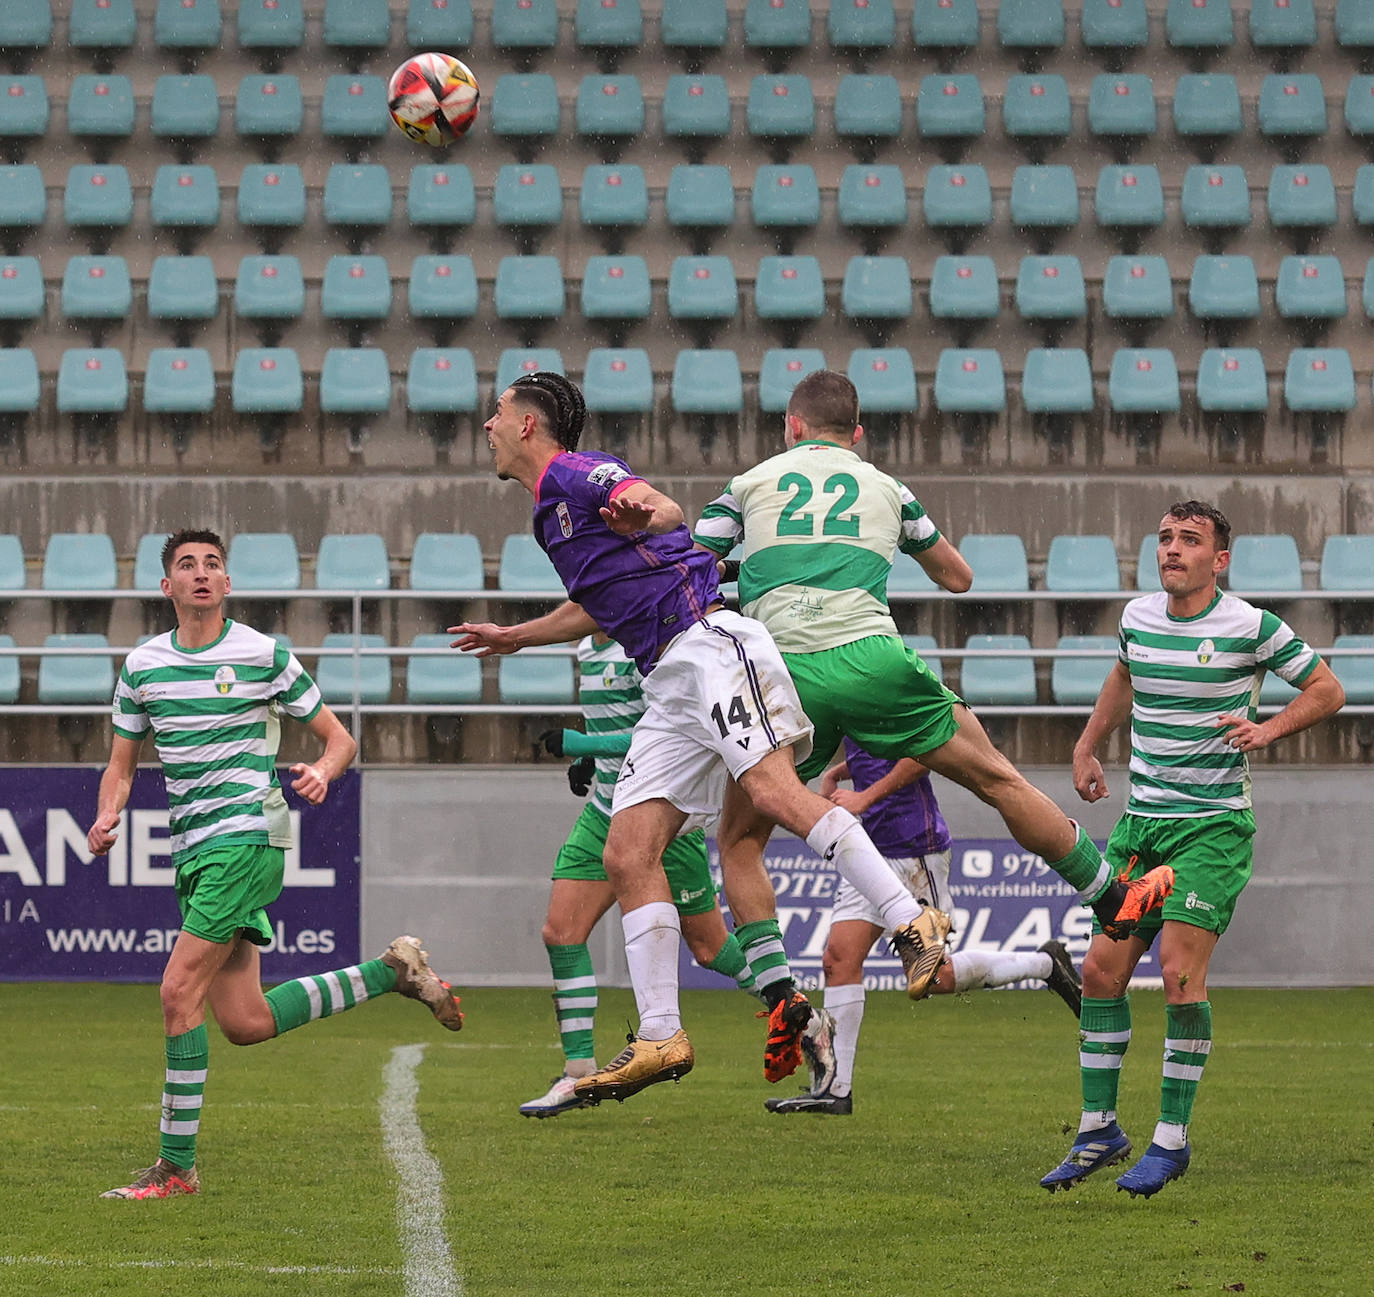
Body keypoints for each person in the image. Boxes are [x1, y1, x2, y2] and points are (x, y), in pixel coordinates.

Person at [451, 372, 945, 1106]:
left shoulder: (580, 473)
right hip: (669, 679)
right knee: (627, 850)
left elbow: (665, 509)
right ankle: (660, 1034)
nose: (487, 424)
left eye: (497, 412)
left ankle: (913, 920)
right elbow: (596, 601)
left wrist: (639, 508)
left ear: (528, 425)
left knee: (775, 793)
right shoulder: (545, 513)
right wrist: (517, 636)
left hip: (710, 644)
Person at [691, 369, 1174, 994]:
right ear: (857, 434)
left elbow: (690, 575)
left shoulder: (747, 484)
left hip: (780, 675)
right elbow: (958, 578)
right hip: (874, 659)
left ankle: (782, 997)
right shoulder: (888, 488)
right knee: (998, 778)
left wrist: (755, 574)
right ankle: (1108, 894)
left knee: (738, 839)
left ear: (792, 427)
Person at [90, 529, 463, 1201]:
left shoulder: (263, 654)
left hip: (250, 837)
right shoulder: (142, 665)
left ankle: (175, 1171)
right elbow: (120, 767)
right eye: (186, 565)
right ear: (166, 586)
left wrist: (322, 770)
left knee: (178, 992)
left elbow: (339, 739)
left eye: (212, 565)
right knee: (245, 1021)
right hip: (197, 852)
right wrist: (107, 812)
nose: (201, 574)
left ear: (227, 584)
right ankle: (392, 972)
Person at [1040, 501, 1345, 1198]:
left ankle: (1171, 1140)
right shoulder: (1138, 618)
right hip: (1142, 828)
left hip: (1210, 828)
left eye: (1190, 540)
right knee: (1098, 972)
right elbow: (1123, 677)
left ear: (1220, 558)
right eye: (1166, 538)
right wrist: (1089, 744)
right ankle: (1098, 1129)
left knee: (1180, 972)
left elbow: (1328, 689)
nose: (1173, 549)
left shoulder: (1250, 625)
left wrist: (1268, 729)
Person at [766, 739, 1082, 1115]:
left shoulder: (891, 684)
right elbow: (874, 750)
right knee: (838, 960)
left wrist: (864, 798)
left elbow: (920, 756)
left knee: (937, 978)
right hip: (866, 851)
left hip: (914, 849)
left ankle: (1046, 964)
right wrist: (840, 770)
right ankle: (836, 1090)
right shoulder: (853, 688)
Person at [519, 629, 762, 1118]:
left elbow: (669, 729)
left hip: (659, 815)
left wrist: (580, 741)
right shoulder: (588, 646)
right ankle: (576, 1074)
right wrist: (591, 757)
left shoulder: (647, 647)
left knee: (712, 949)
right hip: (604, 811)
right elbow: (621, 718)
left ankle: (799, 1010)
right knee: (561, 932)